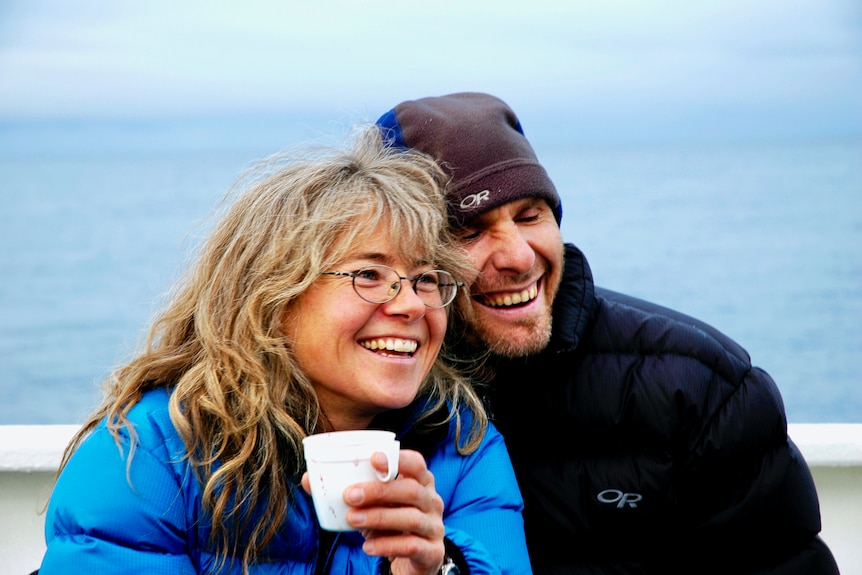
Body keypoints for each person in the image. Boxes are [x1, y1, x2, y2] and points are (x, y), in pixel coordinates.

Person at [375, 92, 840, 575]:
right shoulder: (368, 391)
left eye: (531, 215)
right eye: (470, 230)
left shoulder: (701, 388)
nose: (519, 256)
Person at [37, 126, 532, 575]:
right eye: (368, 275)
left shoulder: (463, 448)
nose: (410, 304)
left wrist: (439, 567)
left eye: (426, 279)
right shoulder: (154, 453)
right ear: (272, 299)